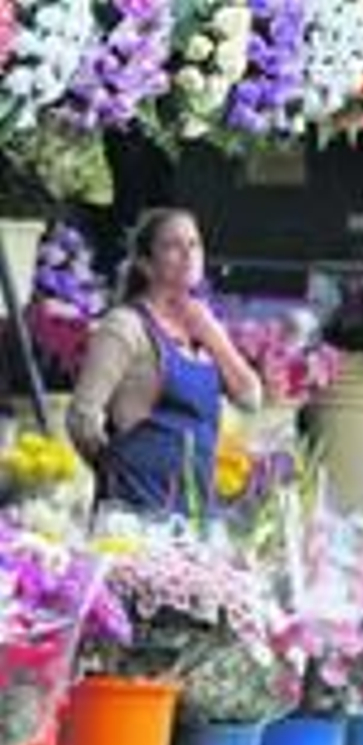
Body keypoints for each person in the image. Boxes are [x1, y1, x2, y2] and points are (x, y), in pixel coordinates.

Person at [67, 208, 261, 515]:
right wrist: (116, 471)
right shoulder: (125, 326)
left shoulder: (203, 330)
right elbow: (81, 417)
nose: (188, 253)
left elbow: (251, 398)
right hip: (135, 510)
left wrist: (211, 333)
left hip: (195, 508)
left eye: (194, 244)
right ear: (145, 264)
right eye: (173, 245)